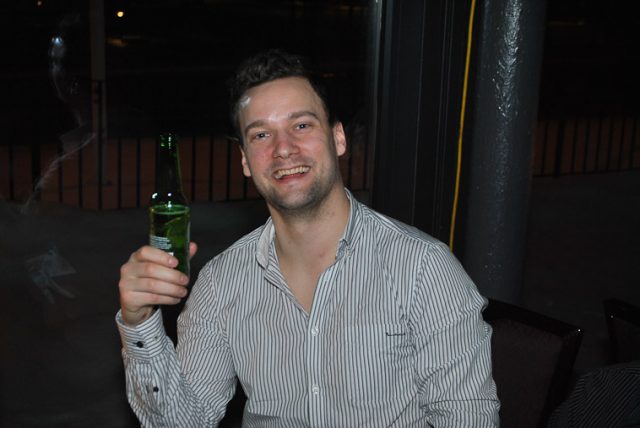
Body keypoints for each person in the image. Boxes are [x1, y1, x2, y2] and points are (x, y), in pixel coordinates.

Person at [116, 49, 500, 427]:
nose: (283, 149)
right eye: (261, 134)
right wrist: (139, 320)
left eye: (301, 125)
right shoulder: (221, 283)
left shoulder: (423, 269)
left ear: (338, 138)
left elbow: (467, 419)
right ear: (246, 161)